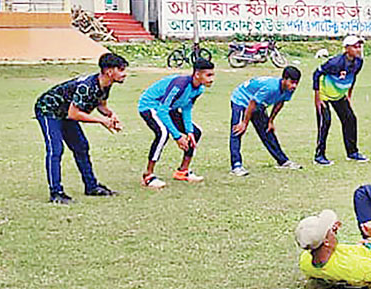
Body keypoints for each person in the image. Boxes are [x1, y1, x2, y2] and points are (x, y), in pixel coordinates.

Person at [33, 52, 127, 202]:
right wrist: (102, 121)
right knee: (55, 149)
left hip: (65, 112)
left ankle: (91, 186)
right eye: (121, 70)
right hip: (49, 110)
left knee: (81, 146)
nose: (124, 74)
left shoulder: (106, 84)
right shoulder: (87, 87)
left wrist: (110, 114)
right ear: (109, 71)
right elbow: (74, 114)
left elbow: (101, 104)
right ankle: (56, 193)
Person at [139, 58, 214, 187]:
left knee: (195, 133)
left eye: (213, 75)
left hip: (169, 108)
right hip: (150, 106)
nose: (212, 79)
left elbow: (186, 108)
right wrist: (177, 136)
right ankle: (148, 175)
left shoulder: (199, 89)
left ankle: (183, 171)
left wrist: (189, 131)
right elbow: (162, 110)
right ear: (197, 74)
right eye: (208, 75)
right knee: (162, 133)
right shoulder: (180, 85)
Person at [229, 66, 303, 175]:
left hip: (257, 104)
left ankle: (283, 161)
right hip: (242, 100)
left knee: (267, 131)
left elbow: (280, 103)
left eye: (296, 83)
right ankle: (236, 166)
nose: (294, 86)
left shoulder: (289, 89)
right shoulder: (271, 88)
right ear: (284, 79)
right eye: (292, 82)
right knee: (238, 130)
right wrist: (244, 122)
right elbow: (252, 103)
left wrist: (271, 121)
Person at [313, 34, 367, 164]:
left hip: (339, 95)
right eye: (355, 47)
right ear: (346, 48)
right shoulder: (335, 62)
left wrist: (348, 95)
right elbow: (316, 73)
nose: (358, 49)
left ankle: (352, 152)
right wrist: (318, 98)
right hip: (324, 95)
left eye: (359, 46)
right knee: (325, 122)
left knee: (350, 119)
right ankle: (319, 156)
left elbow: (353, 78)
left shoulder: (359, 62)